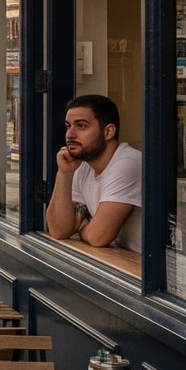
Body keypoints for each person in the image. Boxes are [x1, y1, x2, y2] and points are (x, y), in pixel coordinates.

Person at [45, 94, 143, 253]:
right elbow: (59, 230)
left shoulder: (127, 163)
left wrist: (81, 230)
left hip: (156, 270)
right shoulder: (82, 168)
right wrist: (64, 174)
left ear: (108, 131)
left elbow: (98, 236)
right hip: (122, 260)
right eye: (68, 126)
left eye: (81, 126)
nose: (70, 134)